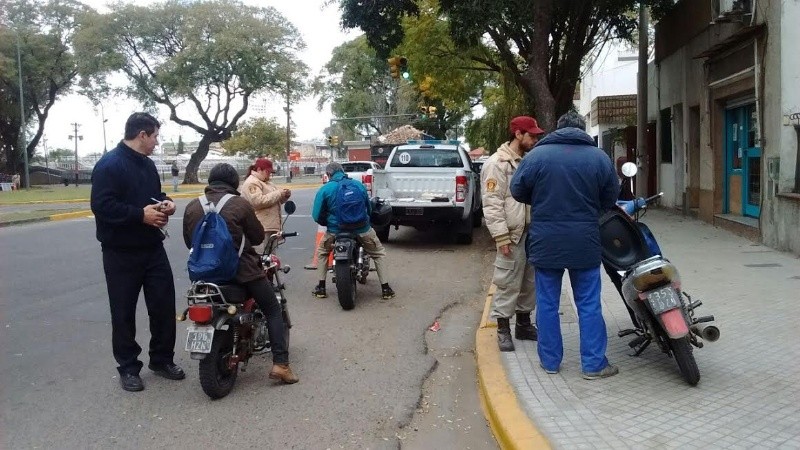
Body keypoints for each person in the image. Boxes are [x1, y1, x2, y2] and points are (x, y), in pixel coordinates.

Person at [510, 110, 620, 380]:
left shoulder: (536, 157)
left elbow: (517, 190)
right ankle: (593, 365)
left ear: (557, 129)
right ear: (582, 130)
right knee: (589, 303)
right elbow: (610, 198)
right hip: (585, 240)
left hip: (546, 240)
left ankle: (550, 362)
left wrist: (542, 199)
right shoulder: (599, 158)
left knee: (547, 302)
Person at [90, 112, 184, 392]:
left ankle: (162, 359)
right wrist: (138, 216)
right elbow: (102, 206)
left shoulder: (147, 165)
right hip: (121, 252)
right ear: (142, 135)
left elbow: (152, 197)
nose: (156, 141)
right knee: (123, 312)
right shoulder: (110, 165)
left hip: (152, 248)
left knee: (163, 305)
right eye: (154, 136)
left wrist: (166, 204)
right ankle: (129, 367)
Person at [183, 163, 298, 384]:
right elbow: (256, 238)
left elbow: (190, 241)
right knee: (272, 308)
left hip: (203, 276)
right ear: (234, 183)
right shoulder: (239, 204)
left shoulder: (192, 206)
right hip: (242, 271)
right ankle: (281, 365)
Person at [481, 116, 544, 352]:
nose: (535, 139)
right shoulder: (497, 164)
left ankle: (524, 325)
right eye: (532, 135)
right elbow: (492, 203)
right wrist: (501, 236)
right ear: (518, 134)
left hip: (531, 233)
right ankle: (503, 329)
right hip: (511, 234)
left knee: (529, 282)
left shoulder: (528, 161)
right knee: (508, 282)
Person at [310, 162, 395, 300]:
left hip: (335, 231)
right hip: (362, 229)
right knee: (379, 253)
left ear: (329, 174)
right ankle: (386, 289)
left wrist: (328, 224)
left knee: (322, 253)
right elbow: (368, 208)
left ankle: (321, 287)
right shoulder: (358, 185)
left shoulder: (325, 189)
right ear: (343, 172)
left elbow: (316, 215)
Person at [239, 158, 291, 254]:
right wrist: (279, 193)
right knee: (261, 256)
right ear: (259, 170)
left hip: (271, 226)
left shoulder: (268, 183)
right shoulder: (252, 183)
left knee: (271, 259)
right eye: (267, 172)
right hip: (261, 226)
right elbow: (258, 202)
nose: (269, 175)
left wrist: (284, 196)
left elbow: (273, 201)